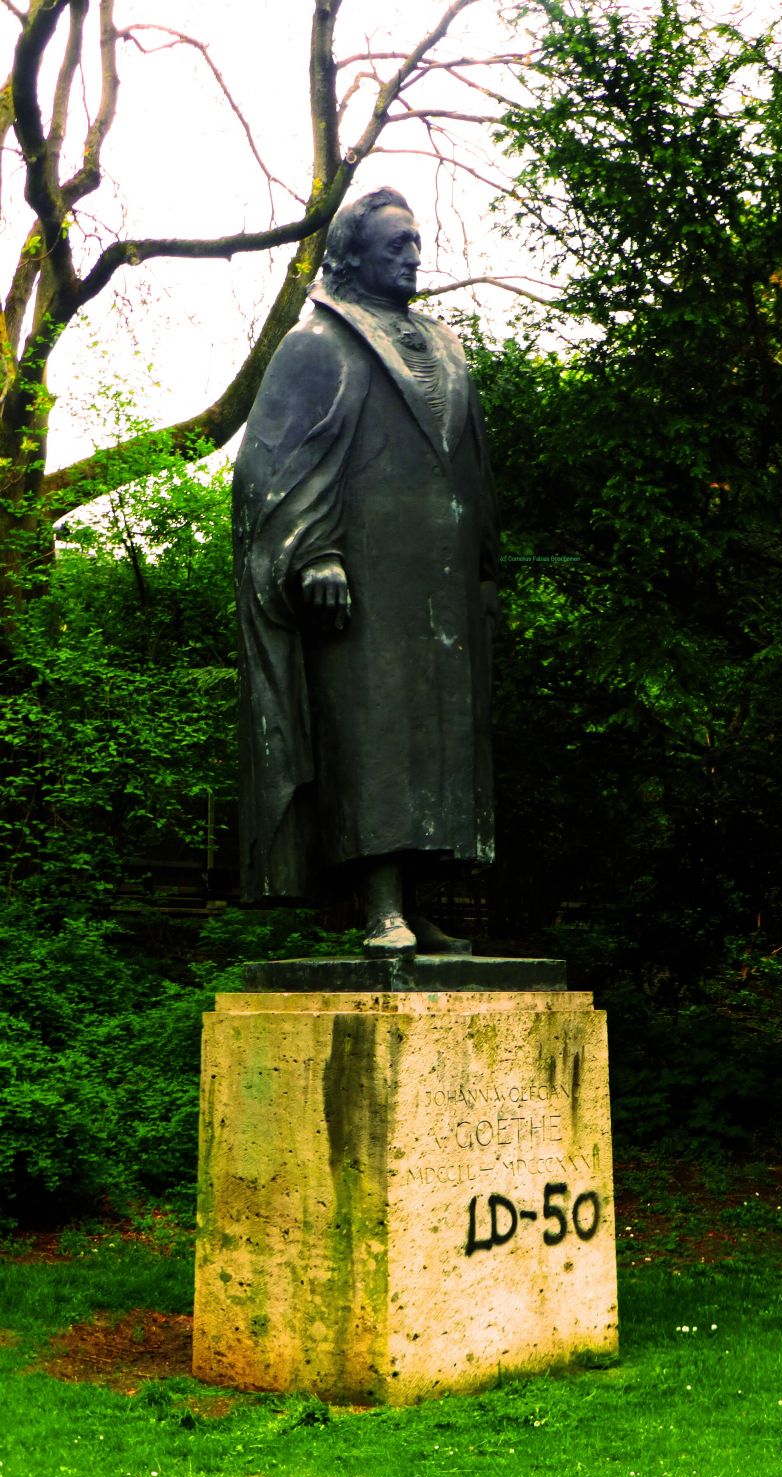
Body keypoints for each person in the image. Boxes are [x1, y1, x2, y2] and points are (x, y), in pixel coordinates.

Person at [232, 188, 498, 957]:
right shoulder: (317, 342)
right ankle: (378, 905)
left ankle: (419, 902)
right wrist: (313, 552)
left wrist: (482, 574)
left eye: (416, 244)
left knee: (438, 745)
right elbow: (270, 468)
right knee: (374, 732)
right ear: (352, 256)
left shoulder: (443, 344)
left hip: (439, 583)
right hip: (360, 579)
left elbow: (472, 468)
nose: (412, 257)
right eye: (395, 246)